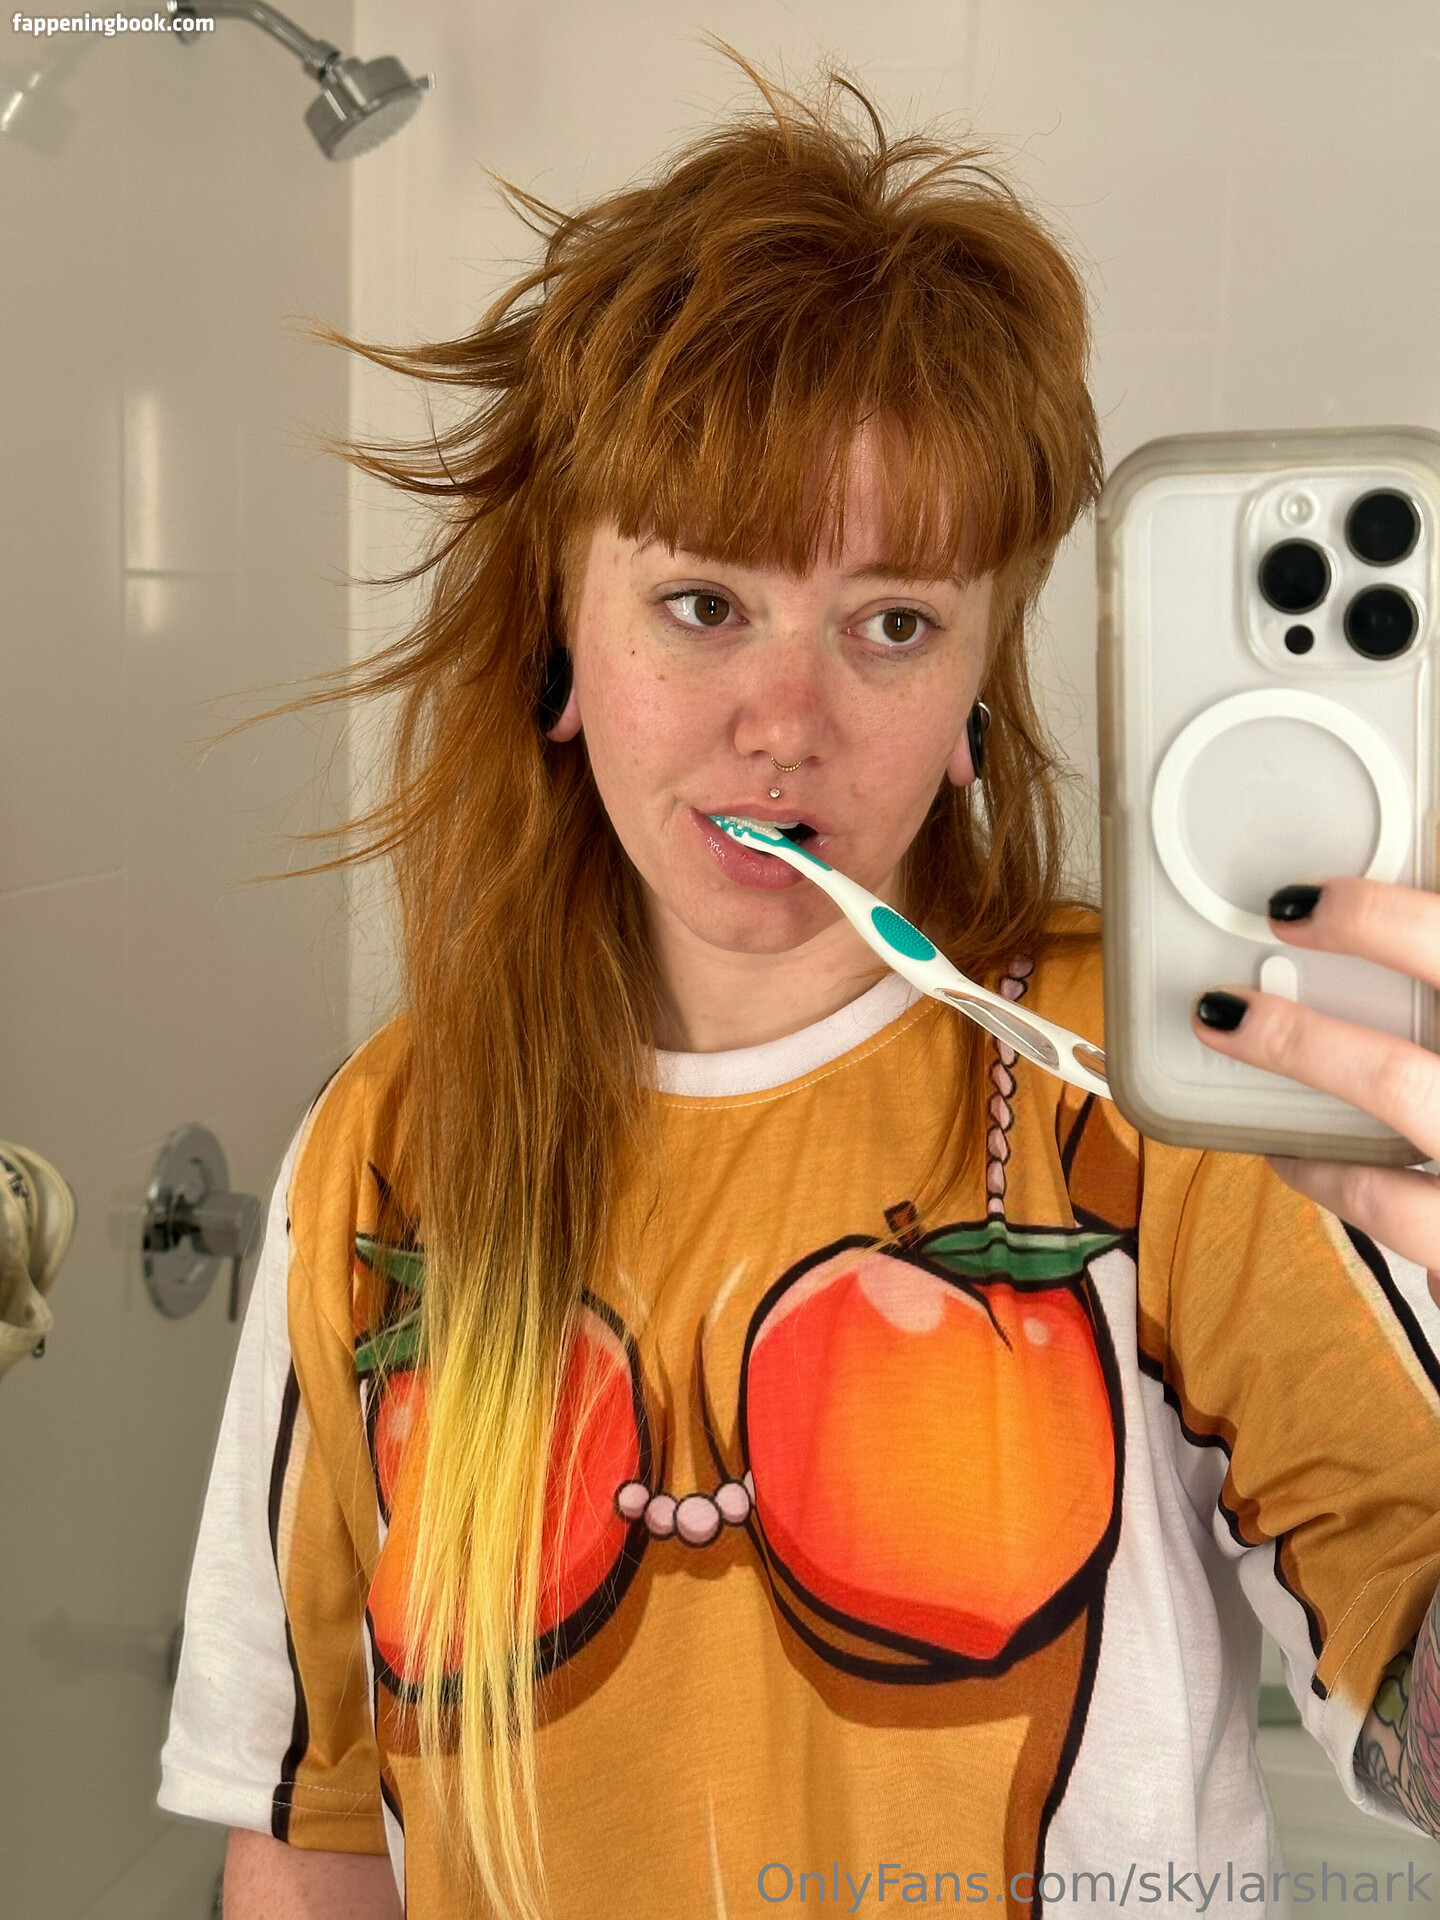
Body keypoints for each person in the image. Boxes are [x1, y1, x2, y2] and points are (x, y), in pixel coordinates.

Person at [157, 66, 1440, 1920]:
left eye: (892, 623)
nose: (788, 723)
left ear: (977, 689)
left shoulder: (1164, 1090)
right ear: (559, 638)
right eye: (703, 604)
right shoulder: (388, 1146)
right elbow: (311, 1828)